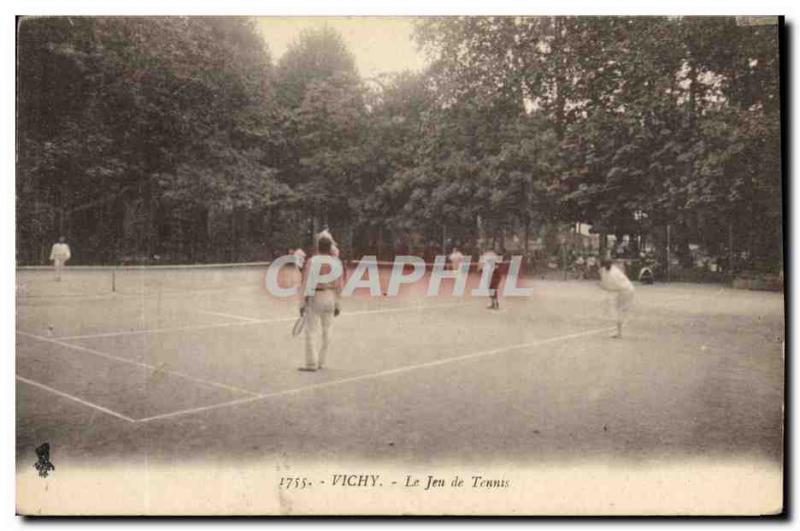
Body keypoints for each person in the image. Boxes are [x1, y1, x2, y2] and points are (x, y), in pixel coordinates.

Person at [298, 233, 342, 372]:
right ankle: (322, 362)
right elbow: (339, 286)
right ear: (330, 247)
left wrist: (302, 303)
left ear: (318, 246)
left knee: (311, 331)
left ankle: (311, 364)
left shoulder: (312, 261)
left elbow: (306, 283)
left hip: (316, 296)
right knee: (327, 331)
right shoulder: (336, 262)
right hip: (330, 296)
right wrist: (337, 304)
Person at [599, 258, 635, 338]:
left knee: (620, 310)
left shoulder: (614, 273)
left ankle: (620, 332)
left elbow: (611, 288)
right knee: (617, 309)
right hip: (621, 290)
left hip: (626, 291)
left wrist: (603, 286)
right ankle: (619, 331)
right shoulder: (606, 270)